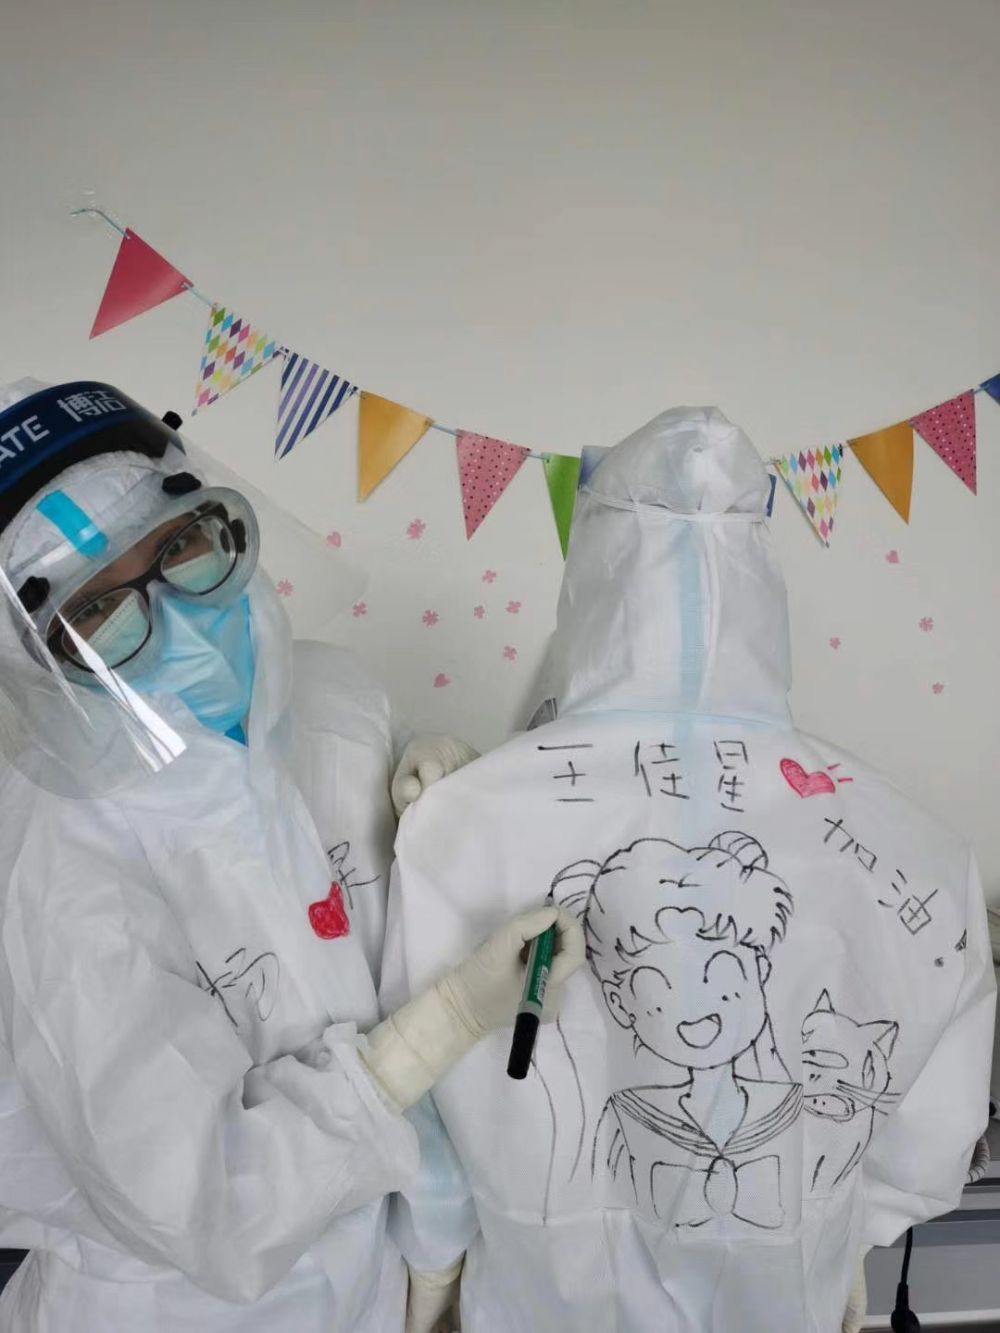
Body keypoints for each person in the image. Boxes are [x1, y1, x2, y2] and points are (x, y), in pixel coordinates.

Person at [383, 406, 996, 1332]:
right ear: (763, 583)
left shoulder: (463, 823)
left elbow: (423, 1102)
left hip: (538, 1299)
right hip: (783, 1295)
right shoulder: (918, 845)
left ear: (593, 577)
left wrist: (434, 1258)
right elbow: (931, 1142)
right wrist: (846, 1229)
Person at [0, 377, 585, 1333]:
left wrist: (455, 809)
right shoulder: (52, 870)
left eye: (178, 545)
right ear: (35, 658)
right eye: (97, 608)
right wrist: (438, 1029)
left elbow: (385, 934)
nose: (175, 615)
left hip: (377, 1280)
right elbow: (212, 1206)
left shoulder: (332, 698)